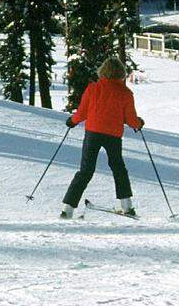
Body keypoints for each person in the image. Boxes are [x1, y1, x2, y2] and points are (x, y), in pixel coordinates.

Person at [60, 59, 145, 219]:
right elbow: (131, 119)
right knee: (118, 168)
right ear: (121, 73)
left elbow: (82, 112)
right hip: (113, 135)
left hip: (93, 132)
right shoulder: (126, 93)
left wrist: (72, 121)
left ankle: (68, 209)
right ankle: (126, 206)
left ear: (102, 71)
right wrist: (139, 123)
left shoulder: (93, 88)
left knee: (85, 171)